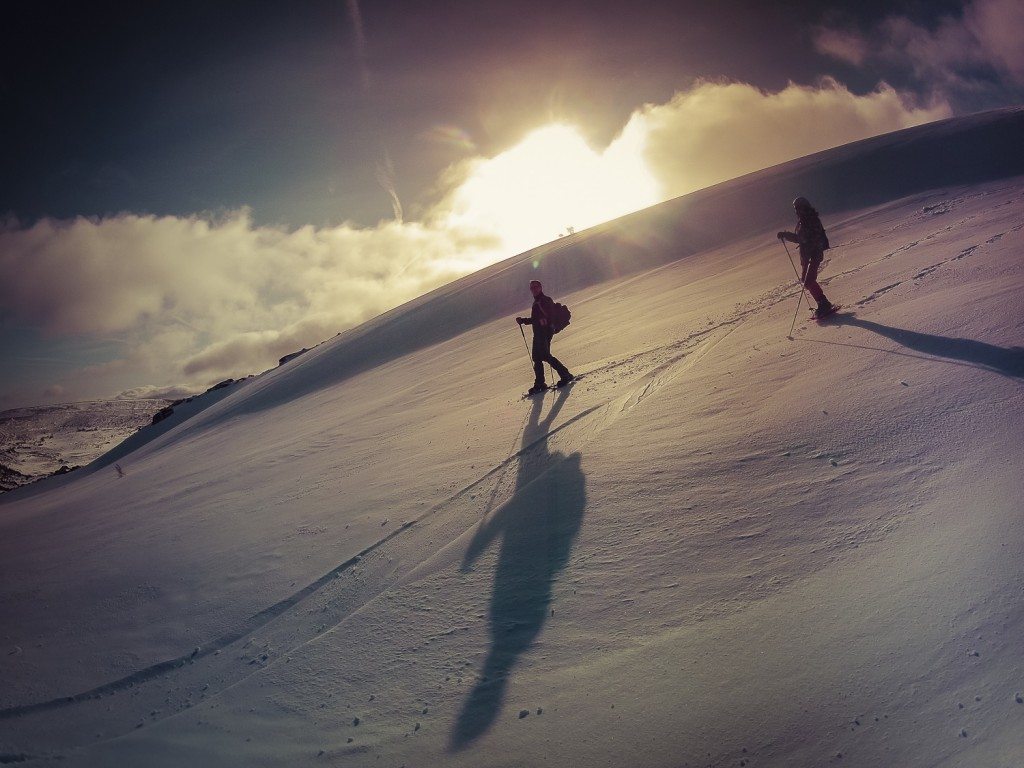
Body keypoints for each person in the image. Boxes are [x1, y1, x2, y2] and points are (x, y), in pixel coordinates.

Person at [778, 196, 834, 318]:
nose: (797, 211)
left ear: (804, 207)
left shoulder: (810, 219)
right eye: (796, 209)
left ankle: (824, 303)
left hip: (813, 255)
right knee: (806, 280)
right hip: (808, 255)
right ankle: (822, 302)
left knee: (809, 280)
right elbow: (802, 238)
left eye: (798, 208)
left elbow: (803, 238)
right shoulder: (804, 219)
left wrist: (786, 235)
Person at [516, 280, 574, 394]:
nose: (534, 289)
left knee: (545, 356)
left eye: (536, 287)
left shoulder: (545, 300)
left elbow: (551, 316)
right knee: (537, 358)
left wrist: (548, 325)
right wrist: (523, 321)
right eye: (532, 288)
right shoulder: (537, 302)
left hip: (544, 333)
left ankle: (565, 374)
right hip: (538, 333)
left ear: (540, 287)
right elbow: (536, 320)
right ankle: (540, 383)